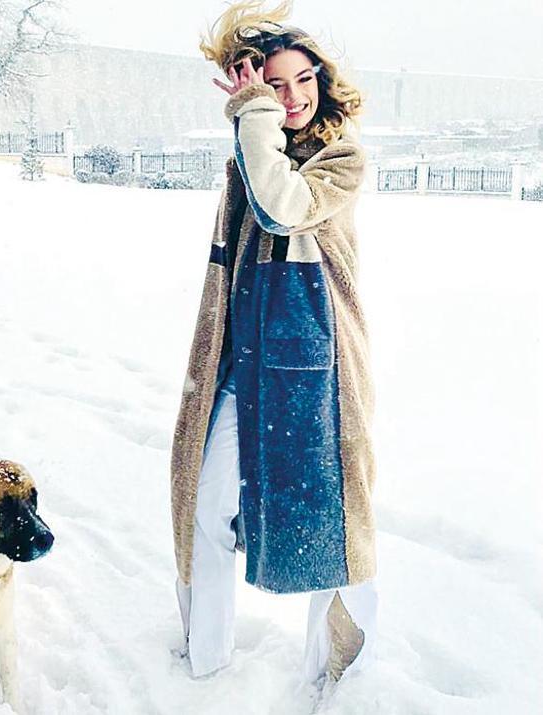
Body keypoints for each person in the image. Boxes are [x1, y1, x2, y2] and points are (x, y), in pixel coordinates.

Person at [170, 0, 378, 691]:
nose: (289, 99)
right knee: (205, 497)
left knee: (337, 524)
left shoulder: (341, 158)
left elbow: (282, 204)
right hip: (245, 364)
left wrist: (253, 111)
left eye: (302, 83)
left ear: (323, 84)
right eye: (275, 84)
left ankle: (341, 676)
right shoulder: (251, 152)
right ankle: (204, 658)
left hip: (320, 369)